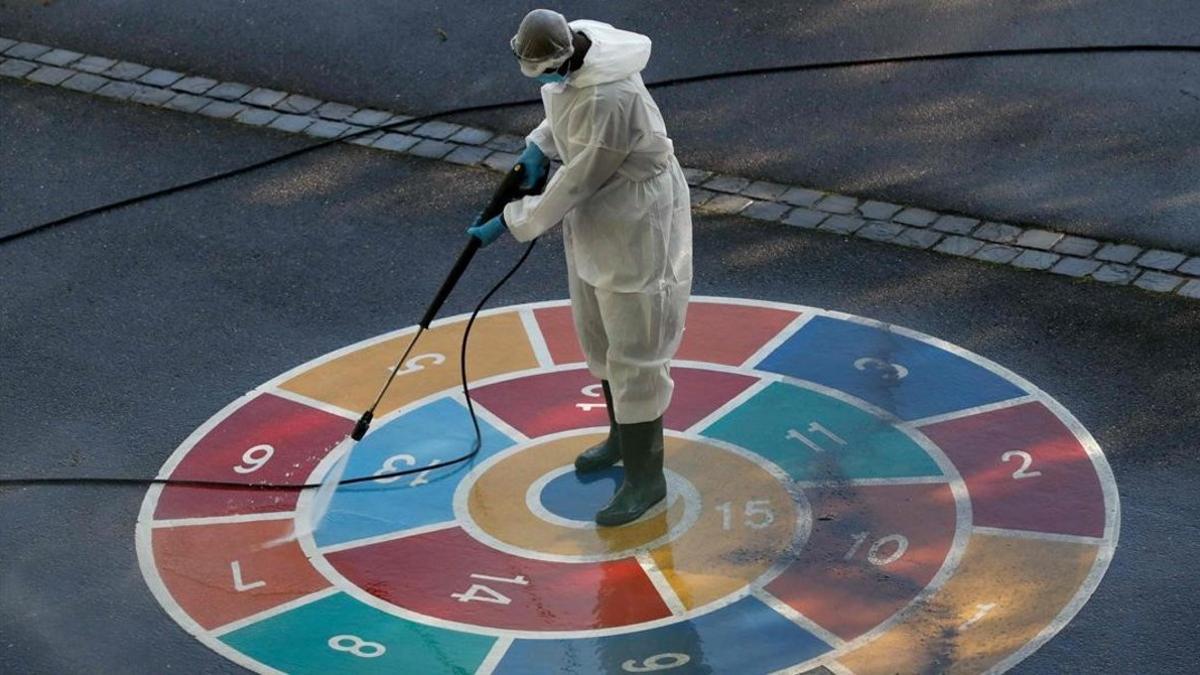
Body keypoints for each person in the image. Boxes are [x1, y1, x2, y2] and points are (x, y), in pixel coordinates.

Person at [467, 9, 692, 527]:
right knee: (598, 330)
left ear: (563, 56)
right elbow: (565, 111)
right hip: (599, 219)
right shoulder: (582, 57)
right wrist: (539, 144)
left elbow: (577, 180)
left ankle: (646, 477)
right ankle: (620, 437)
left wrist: (512, 218)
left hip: (638, 222)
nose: (544, 79)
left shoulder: (609, 96)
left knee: (635, 344)